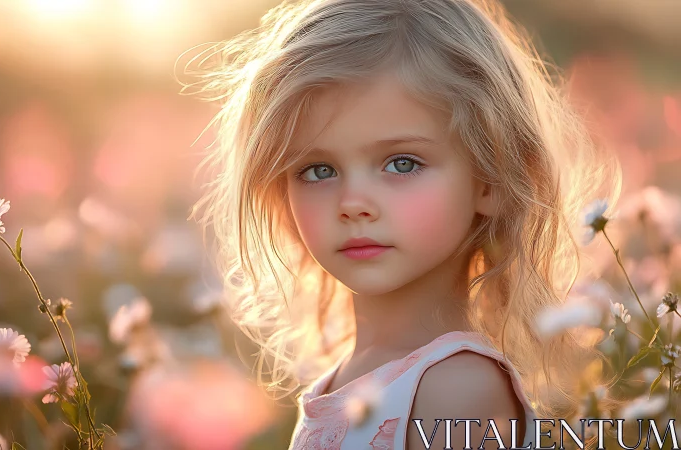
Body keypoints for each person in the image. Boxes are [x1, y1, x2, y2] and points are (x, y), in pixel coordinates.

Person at [186, 0, 622, 448]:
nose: (353, 204)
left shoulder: (457, 389)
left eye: (401, 163)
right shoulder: (346, 378)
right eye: (318, 170)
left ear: (491, 178)